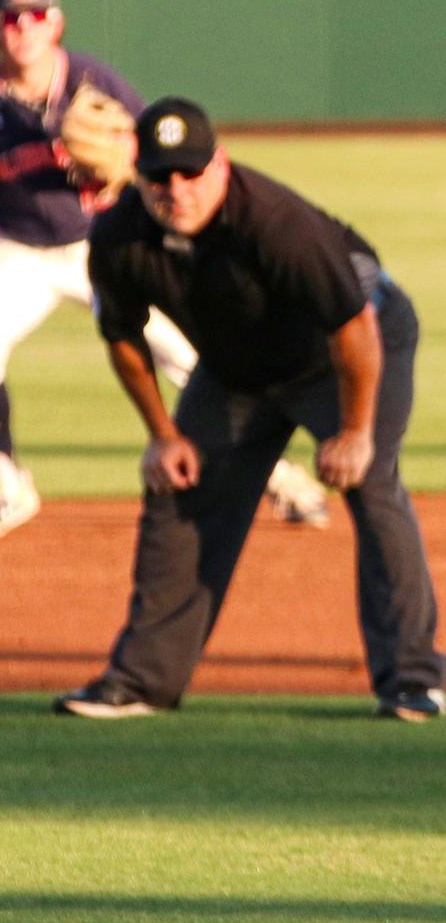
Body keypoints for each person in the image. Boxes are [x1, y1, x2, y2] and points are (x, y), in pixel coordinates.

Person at [52, 96, 446, 721]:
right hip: (236, 370)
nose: (176, 190)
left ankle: (413, 681)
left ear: (219, 165)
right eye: (159, 176)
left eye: (190, 172)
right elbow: (122, 336)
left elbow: (355, 325)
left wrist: (355, 431)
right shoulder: (120, 235)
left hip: (342, 353)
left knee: (369, 482)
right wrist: (163, 434)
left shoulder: (273, 221)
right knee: (179, 484)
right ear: (139, 176)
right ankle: (142, 681)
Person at [0, 0, 329, 539]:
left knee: (188, 358)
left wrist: (122, 162)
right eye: (10, 17)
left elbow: (155, 150)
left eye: (34, 15)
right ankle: (6, 484)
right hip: (19, 252)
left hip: (97, 249)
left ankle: (278, 476)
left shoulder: (91, 81)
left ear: (55, 23)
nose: (22, 28)